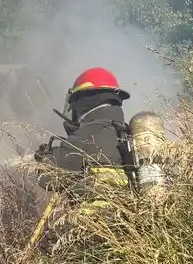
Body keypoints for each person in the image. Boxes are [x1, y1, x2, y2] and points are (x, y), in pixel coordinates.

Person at [33, 66, 133, 216]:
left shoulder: (89, 134)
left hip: (95, 226)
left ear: (83, 101)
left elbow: (47, 179)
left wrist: (44, 159)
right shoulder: (126, 131)